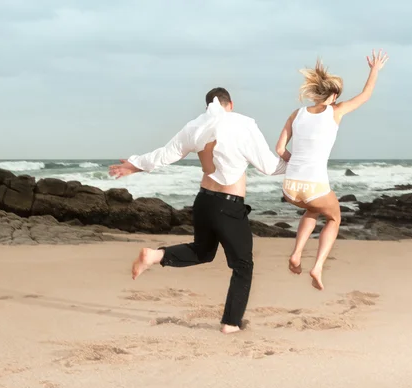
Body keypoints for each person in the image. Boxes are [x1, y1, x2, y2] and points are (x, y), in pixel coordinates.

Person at [109, 87, 286, 334]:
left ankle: (154, 256)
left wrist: (134, 165)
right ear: (230, 104)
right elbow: (268, 166)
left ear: (207, 106)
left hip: (203, 202)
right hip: (228, 204)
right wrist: (300, 163)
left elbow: (166, 154)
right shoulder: (242, 124)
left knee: (203, 251)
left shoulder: (196, 126)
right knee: (243, 265)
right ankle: (231, 323)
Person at [275, 49, 389, 290]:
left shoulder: (297, 114)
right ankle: (317, 267)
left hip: (290, 187)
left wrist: (296, 162)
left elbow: (279, 149)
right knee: (334, 217)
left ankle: (296, 254)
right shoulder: (336, 111)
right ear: (334, 94)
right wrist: (374, 70)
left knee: (311, 211)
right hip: (314, 185)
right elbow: (366, 95)